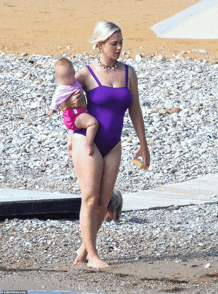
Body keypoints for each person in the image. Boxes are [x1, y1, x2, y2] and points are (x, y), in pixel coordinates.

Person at [60, 21, 150, 269]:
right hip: (87, 140)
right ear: (99, 44)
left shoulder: (129, 73)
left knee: (103, 201)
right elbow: (64, 105)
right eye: (114, 43)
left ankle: (85, 247)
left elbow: (136, 111)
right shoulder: (85, 74)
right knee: (89, 199)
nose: (119, 47)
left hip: (113, 143)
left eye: (121, 42)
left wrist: (143, 145)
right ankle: (94, 255)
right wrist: (69, 110)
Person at [48, 58, 98, 155]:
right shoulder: (62, 87)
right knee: (93, 123)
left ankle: (70, 145)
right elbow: (56, 98)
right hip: (74, 115)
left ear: (73, 73)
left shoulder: (75, 81)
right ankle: (89, 144)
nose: (64, 80)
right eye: (60, 78)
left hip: (75, 114)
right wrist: (53, 108)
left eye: (67, 77)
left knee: (74, 129)